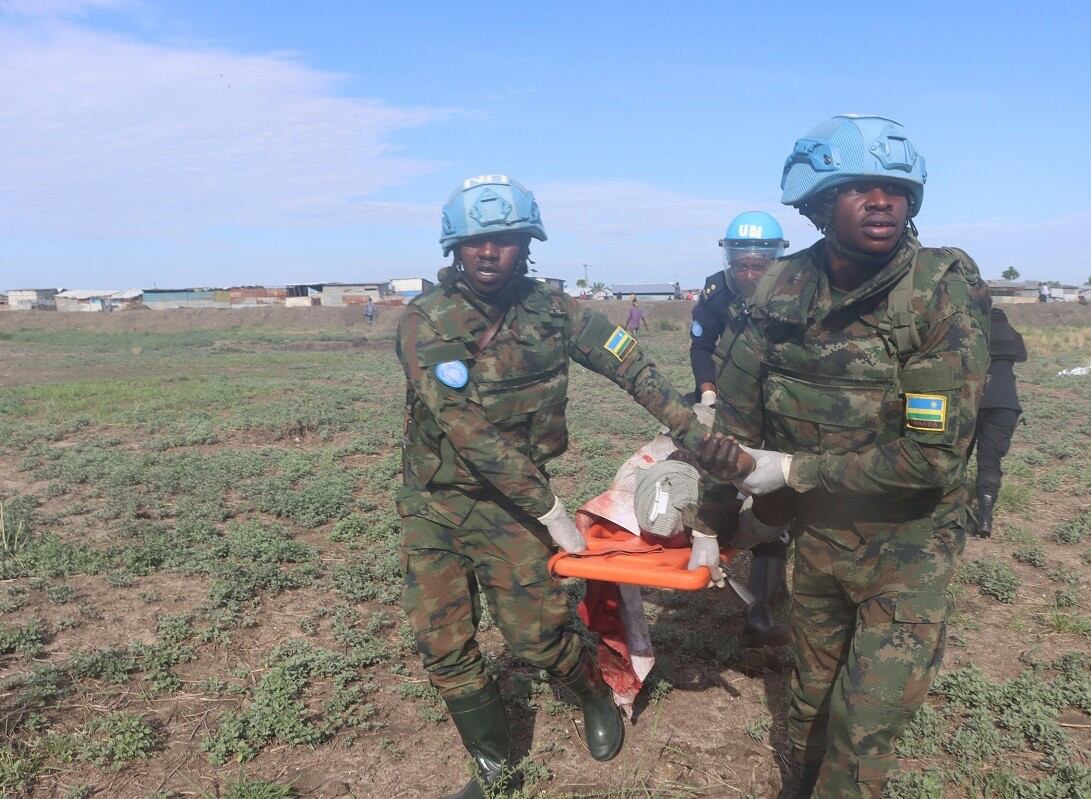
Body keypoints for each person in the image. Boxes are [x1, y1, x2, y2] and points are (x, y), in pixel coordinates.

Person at [693, 115, 991, 799]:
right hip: (820, 537)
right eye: (859, 188)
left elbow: (931, 459)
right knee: (811, 695)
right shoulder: (779, 290)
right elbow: (735, 424)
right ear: (820, 203)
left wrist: (794, 471)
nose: (882, 201)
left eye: (895, 189)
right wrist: (713, 523)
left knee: (865, 722)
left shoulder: (935, 290)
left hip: (909, 545)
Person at [396, 175, 707, 799]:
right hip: (435, 501)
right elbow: (465, 427)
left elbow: (628, 362)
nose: (490, 252)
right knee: (441, 641)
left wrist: (692, 429)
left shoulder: (556, 312)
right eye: (476, 241)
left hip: (511, 508)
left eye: (505, 239)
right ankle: (493, 764)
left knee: (537, 637)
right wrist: (549, 507)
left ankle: (592, 693)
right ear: (455, 246)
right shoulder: (426, 321)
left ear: (528, 245)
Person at [690, 211, 791, 646]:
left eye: (758, 265)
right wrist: (707, 391)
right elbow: (700, 346)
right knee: (721, 476)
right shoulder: (716, 292)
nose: (749, 272)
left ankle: (764, 607)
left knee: (774, 494)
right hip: (728, 399)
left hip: (779, 401)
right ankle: (711, 538)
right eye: (741, 264)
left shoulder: (795, 290)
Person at [974, 307, 1026, 536]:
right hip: (1006, 405)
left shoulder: (973, 334)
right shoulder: (1013, 337)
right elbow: (1022, 357)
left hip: (972, 401)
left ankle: (948, 510)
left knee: (956, 458)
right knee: (990, 462)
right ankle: (985, 517)